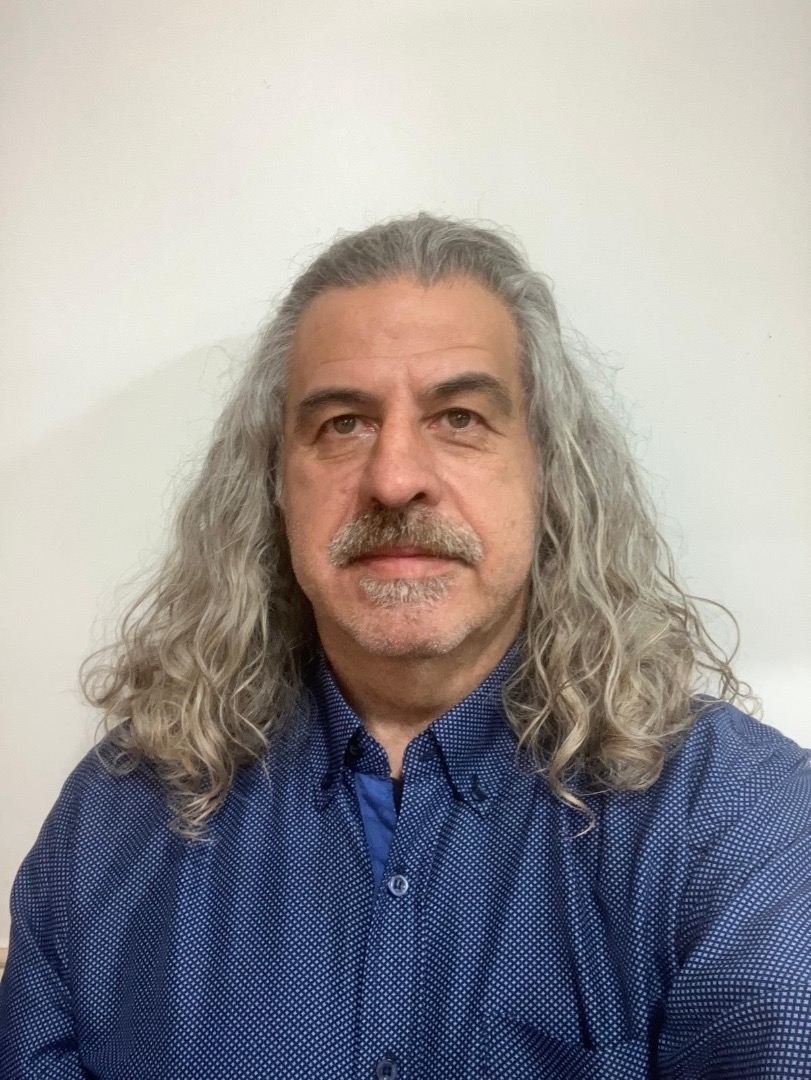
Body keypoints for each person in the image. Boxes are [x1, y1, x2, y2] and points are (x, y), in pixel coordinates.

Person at [1, 215, 809, 1079]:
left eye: (459, 417)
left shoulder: (727, 817)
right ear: (273, 487)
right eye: (342, 423)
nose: (393, 478)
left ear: (549, 473)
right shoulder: (109, 825)